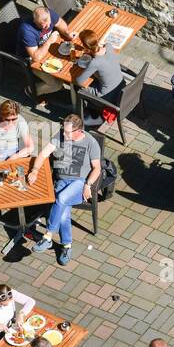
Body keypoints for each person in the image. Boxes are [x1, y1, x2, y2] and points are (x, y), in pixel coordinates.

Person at [28, 114, 102, 266]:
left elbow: (97, 169)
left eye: (67, 132)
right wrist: (35, 170)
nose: (63, 134)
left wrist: (88, 185)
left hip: (79, 183)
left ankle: (48, 236)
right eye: (63, 130)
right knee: (62, 216)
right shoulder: (61, 136)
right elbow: (43, 154)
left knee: (61, 199)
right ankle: (67, 246)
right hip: (61, 181)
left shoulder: (90, 142)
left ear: (79, 131)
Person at [18, 5, 75, 105]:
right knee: (56, 84)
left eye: (46, 21)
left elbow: (60, 23)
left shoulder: (49, 14)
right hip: (30, 60)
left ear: (48, 13)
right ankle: (31, 91)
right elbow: (36, 57)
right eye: (41, 24)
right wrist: (49, 42)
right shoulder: (27, 30)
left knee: (70, 63)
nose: (45, 26)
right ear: (34, 21)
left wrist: (67, 34)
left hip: (46, 51)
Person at [75, 29, 124, 126]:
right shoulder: (109, 46)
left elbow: (79, 81)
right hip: (121, 87)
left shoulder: (95, 62)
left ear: (86, 47)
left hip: (106, 97)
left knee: (77, 87)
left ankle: (80, 109)